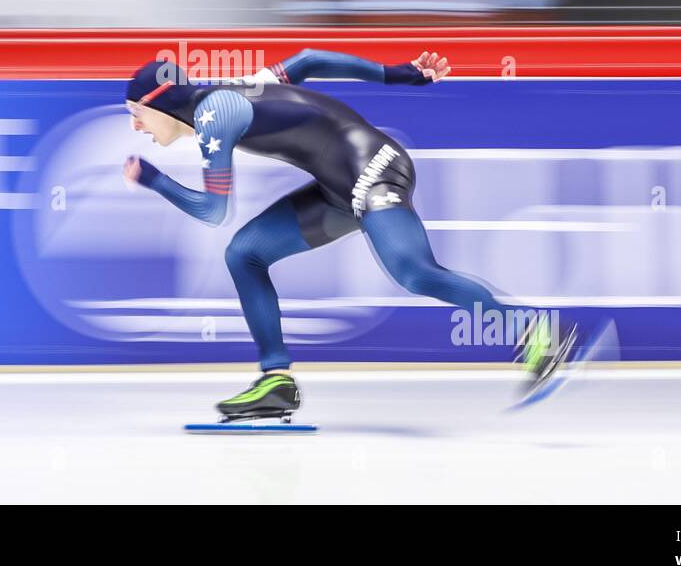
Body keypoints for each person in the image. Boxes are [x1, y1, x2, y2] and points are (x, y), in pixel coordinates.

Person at [123, 48, 576, 421]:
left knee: (415, 274)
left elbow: (213, 210)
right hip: (338, 189)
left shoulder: (213, 115)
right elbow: (306, 61)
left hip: (374, 168)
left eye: (136, 113)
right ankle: (276, 382)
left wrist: (153, 180)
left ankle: (535, 331)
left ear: (160, 101)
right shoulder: (231, 89)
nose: (135, 126)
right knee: (244, 254)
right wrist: (399, 75)